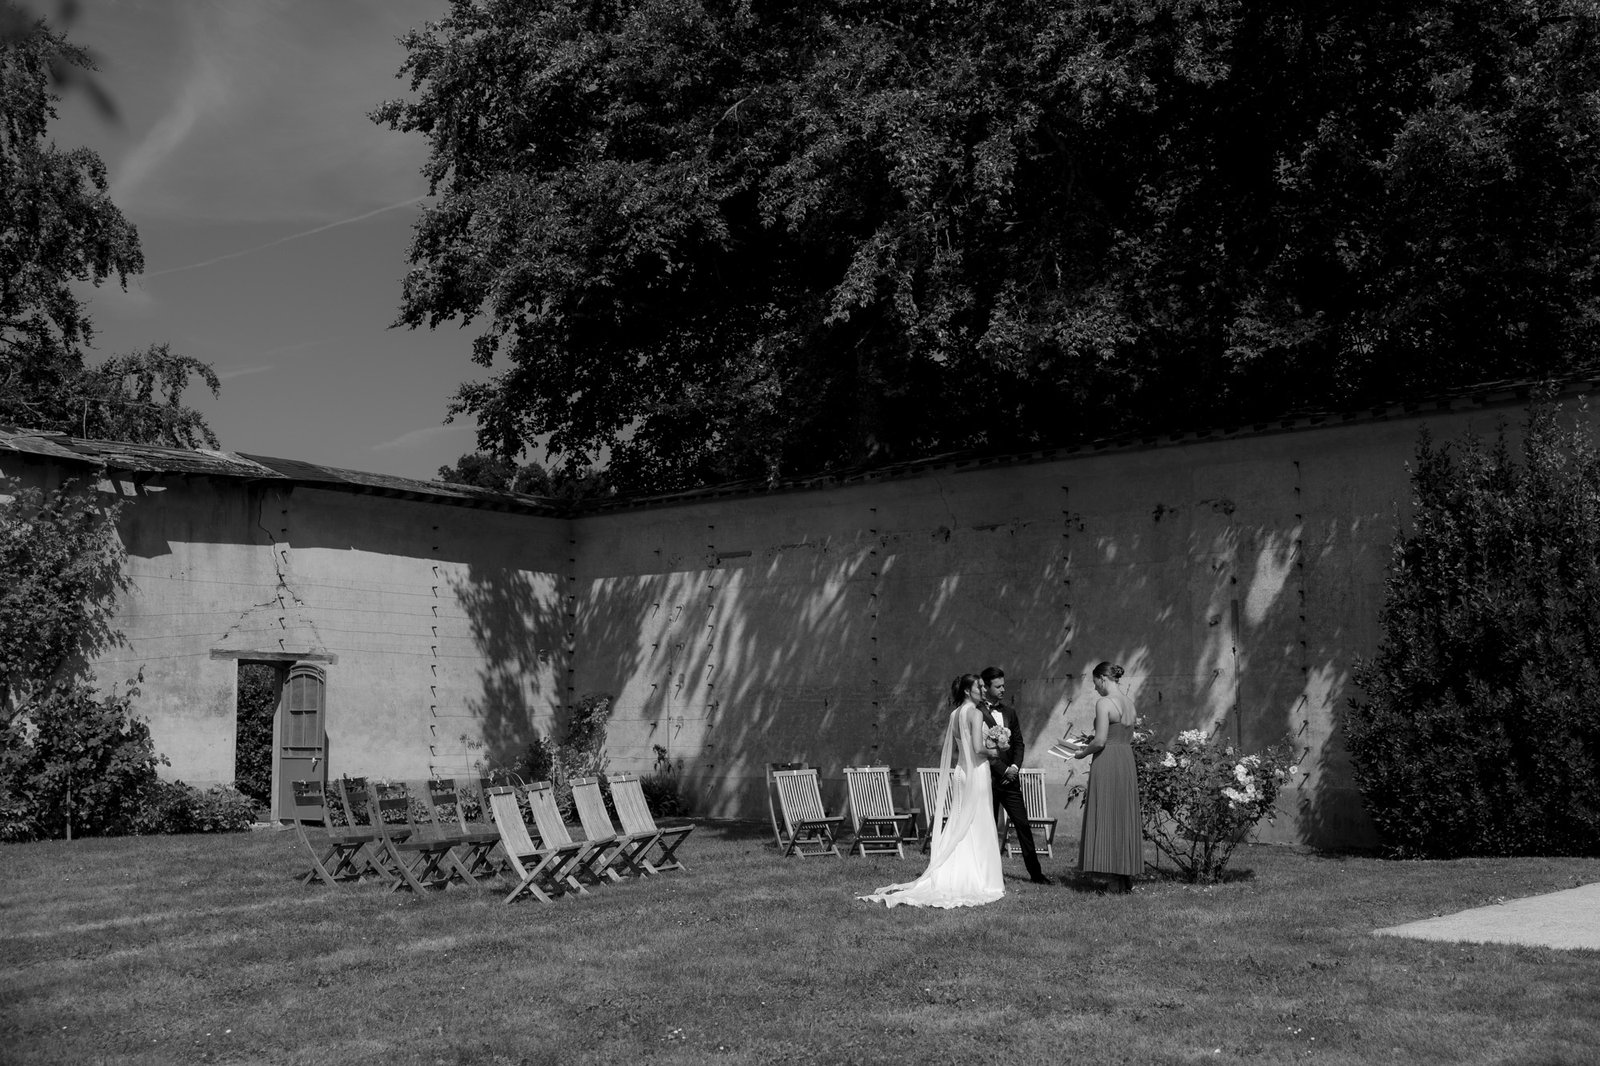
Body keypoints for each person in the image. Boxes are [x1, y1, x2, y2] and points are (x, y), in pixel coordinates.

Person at [859, 674, 1004, 909]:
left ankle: (953, 871)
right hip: (975, 772)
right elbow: (977, 748)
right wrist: (996, 750)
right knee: (978, 821)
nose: (984, 690)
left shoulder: (954, 714)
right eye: (980, 687)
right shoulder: (975, 713)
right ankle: (980, 877)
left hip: (960, 773)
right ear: (968, 691)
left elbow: (962, 747)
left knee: (959, 820)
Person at [1072, 661, 1143, 893]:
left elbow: (1100, 740)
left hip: (1108, 760)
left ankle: (1113, 878)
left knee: (1107, 813)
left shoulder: (1104, 703)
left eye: (1095, 683)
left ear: (1103, 678)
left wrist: (1082, 753)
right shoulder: (1130, 703)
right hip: (1126, 759)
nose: (1095, 689)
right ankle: (1124, 876)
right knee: (1123, 815)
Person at [980, 667, 1051, 884]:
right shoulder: (976, 712)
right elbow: (979, 748)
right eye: (998, 686)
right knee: (988, 827)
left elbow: (1019, 743)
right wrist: (1002, 769)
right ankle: (987, 874)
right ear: (986, 686)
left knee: (1022, 824)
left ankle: (1036, 874)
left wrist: (1014, 768)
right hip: (988, 779)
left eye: (1004, 685)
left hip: (1010, 779)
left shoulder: (1009, 712)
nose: (1003, 689)